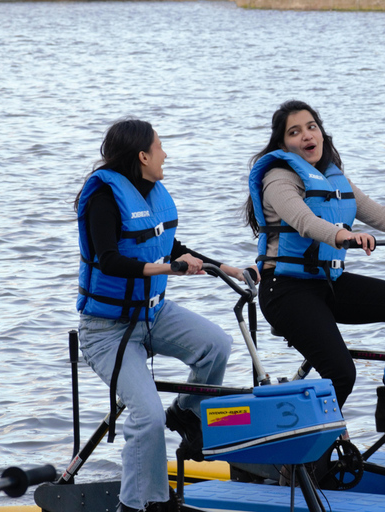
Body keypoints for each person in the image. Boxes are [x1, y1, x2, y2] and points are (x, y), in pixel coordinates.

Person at [244, 100, 385, 430]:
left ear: (322, 133)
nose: (306, 136)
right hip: (285, 292)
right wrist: (342, 236)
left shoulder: (333, 179)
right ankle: (302, 462)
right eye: (294, 132)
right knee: (341, 372)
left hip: (327, 284)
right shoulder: (279, 179)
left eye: (312, 127)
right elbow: (304, 221)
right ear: (283, 145)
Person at [75, 118, 252, 512]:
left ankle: (186, 414)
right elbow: (110, 261)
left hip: (154, 315)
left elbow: (171, 246)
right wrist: (169, 269)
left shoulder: (151, 191)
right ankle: (141, 505)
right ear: (142, 156)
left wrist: (226, 268)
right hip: (106, 330)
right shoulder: (104, 198)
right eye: (160, 147)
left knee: (215, 346)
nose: (165, 154)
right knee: (147, 416)